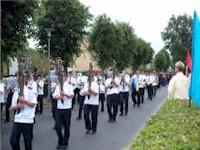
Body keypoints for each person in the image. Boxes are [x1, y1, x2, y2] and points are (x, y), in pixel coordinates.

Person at [10, 75, 37, 150]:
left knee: (27, 144)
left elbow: (33, 104)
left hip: (27, 120)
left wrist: (25, 101)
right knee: (13, 141)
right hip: (17, 119)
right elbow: (12, 107)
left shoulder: (30, 90)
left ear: (25, 80)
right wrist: (17, 106)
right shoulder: (16, 91)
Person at [53, 74, 74, 149]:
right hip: (59, 108)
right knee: (57, 127)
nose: (61, 78)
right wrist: (59, 97)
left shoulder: (69, 86)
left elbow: (71, 96)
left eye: (62, 76)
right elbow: (54, 96)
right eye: (60, 77)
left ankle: (65, 142)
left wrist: (64, 94)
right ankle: (60, 140)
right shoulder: (58, 86)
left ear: (65, 77)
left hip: (67, 108)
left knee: (66, 126)